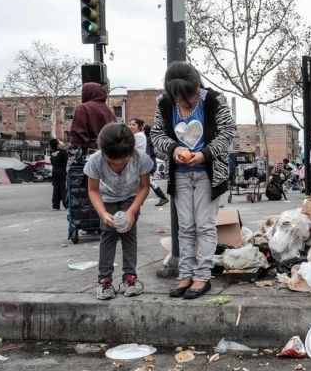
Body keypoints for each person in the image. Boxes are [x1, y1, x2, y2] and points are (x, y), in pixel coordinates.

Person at [151, 61, 235, 300]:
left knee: (205, 226)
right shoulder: (164, 103)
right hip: (179, 175)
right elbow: (156, 134)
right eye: (176, 96)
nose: (181, 101)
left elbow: (228, 132)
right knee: (185, 227)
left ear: (195, 87)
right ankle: (186, 275)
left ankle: (203, 276)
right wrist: (174, 149)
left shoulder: (214, 100)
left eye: (185, 95)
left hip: (208, 173)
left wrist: (204, 154)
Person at [84, 123, 154, 300]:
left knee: (129, 235)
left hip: (131, 198)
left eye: (123, 160)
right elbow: (93, 190)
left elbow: (145, 187)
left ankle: (130, 278)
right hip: (107, 200)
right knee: (108, 236)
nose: (118, 164)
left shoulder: (141, 159)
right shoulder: (95, 160)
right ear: (103, 151)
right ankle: (105, 280)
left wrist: (132, 211)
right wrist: (102, 213)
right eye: (112, 161)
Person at [128, 118, 170, 206]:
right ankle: (141, 201)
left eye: (133, 125)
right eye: (130, 124)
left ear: (139, 127)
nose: (130, 126)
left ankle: (162, 197)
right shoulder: (140, 136)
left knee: (148, 181)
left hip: (145, 163)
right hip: (145, 163)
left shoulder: (138, 136)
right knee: (145, 182)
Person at [70, 82, 117, 152]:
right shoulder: (109, 111)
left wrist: (75, 152)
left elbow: (78, 134)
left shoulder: (83, 108)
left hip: (90, 154)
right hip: (109, 153)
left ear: (87, 93)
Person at [49, 138, 68, 210]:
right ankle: (66, 204)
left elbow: (52, 162)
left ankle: (55, 205)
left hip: (54, 171)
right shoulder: (63, 152)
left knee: (56, 188)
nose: (61, 142)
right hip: (62, 171)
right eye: (59, 142)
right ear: (58, 145)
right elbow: (66, 159)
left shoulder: (52, 153)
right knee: (63, 188)